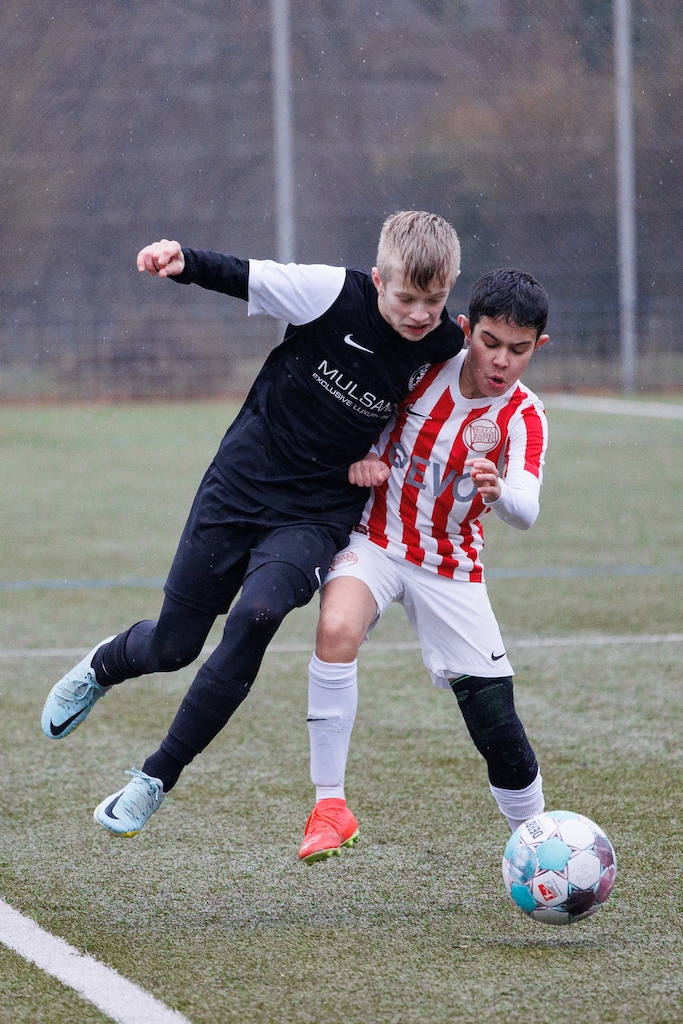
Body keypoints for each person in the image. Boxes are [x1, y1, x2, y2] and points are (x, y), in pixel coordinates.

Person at [41, 211, 465, 838]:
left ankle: (155, 777)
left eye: (435, 301)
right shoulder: (331, 294)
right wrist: (183, 261)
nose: (420, 314)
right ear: (378, 280)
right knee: (173, 647)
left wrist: (382, 456)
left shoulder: (443, 344)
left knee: (258, 615)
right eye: (406, 298)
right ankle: (102, 667)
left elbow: (438, 412)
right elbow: (248, 276)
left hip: (317, 513)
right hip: (240, 485)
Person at [298, 268, 550, 865]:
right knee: (336, 628)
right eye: (490, 342)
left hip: (451, 566)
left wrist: (498, 493)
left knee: (496, 723)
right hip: (376, 541)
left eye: (519, 350)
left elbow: (527, 509)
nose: (501, 361)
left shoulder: (524, 415)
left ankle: (540, 845)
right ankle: (329, 806)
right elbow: (361, 420)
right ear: (465, 329)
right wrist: (363, 457)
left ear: (538, 347)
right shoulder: (422, 369)